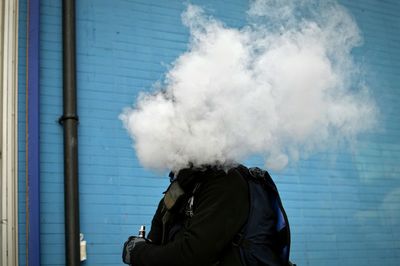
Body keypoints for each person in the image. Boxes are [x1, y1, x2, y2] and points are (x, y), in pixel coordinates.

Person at [122, 164, 283, 266]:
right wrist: (143, 250)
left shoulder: (225, 182)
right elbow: (157, 237)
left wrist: (138, 253)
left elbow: (193, 254)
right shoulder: (182, 185)